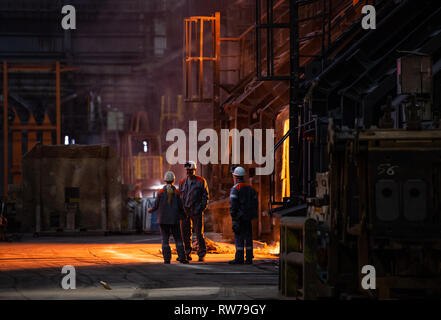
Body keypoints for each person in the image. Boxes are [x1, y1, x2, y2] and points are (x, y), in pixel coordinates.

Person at [148, 171, 188, 264]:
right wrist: (184, 215)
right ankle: (182, 257)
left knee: (165, 239)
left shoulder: (160, 192)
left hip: (163, 220)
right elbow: (180, 206)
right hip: (174, 220)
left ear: (165, 180)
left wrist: (151, 210)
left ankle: (167, 259)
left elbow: (156, 206)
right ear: (173, 180)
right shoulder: (177, 192)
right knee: (178, 239)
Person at [179, 161, 209, 262]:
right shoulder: (182, 182)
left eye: (190, 170)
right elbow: (180, 197)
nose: (189, 172)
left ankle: (201, 254)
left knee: (199, 234)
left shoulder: (201, 181)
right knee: (185, 234)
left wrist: (200, 209)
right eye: (187, 170)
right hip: (185, 211)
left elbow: (206, 197)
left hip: (196, 211)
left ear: (194, 170)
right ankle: (187, 253)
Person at [229, 166, 258, 264]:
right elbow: (255, 202)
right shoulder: (250, 188)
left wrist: (234, 217)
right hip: (248, 217)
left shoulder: (235, 188)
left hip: (239, 217)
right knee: (248, 237)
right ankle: (249, 258)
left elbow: (233, 204)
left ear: (236, 177)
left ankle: (239, 258)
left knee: (239, 237)